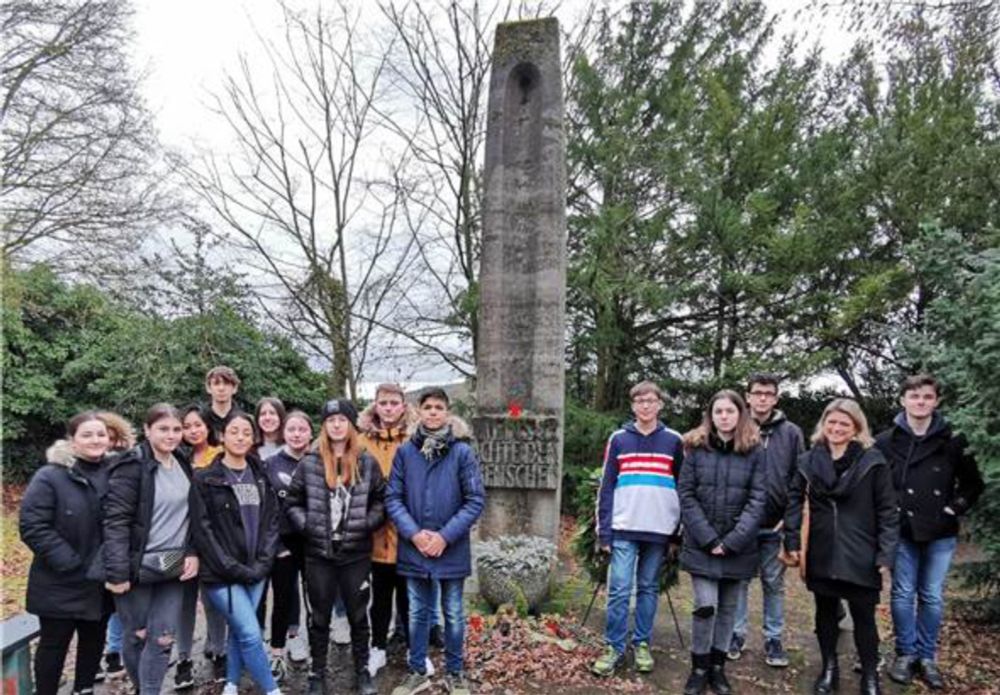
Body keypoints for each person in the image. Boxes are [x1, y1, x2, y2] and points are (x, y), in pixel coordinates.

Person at [876, 375, 984, 689]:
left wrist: (953, 508)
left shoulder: (954, 440)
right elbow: (878, 484)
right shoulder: (887, 441)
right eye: (914, 396)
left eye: (926, 396)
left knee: (932, 596)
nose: (920, 402)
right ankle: (905, 653)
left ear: (936, 401)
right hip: (902, 529)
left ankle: (927, 656)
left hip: (941, 530)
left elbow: (973, 483)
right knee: (901, 594)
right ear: (902, 400)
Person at [785, 399, 898, 695]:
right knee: (825, 613)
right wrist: (792, 540)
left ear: (856, 428)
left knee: (864, 617)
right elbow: (794, 501)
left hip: (861, 550)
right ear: (823, 424)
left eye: (844, 424)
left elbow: (887, 510)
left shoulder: (873, 462)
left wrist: (886, 554)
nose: (836, 428)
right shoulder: (808, 461)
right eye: (831, 422)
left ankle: (870, 676)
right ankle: (829, 668)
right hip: (821, 548)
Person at [387, 388, 485, 695]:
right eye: (427, 406)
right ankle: (418, 670)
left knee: (454, 613)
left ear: (447, 412)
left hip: (451, 548)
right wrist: (415, 534)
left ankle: (455, 672)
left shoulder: (462, 452)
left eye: (438, 407)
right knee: (417, 613)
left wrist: (444, 536)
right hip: (414, 548)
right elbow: (393, 497)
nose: (432, 412)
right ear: (418, 410)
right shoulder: (405, 452)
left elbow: (474, 500)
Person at [285, 399, 385, 695]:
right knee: (319, 615)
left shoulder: (367, 461)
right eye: (331, 420)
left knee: (357, 614)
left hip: (355, 553)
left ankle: (363, 669)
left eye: (342, 419)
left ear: (351, 424)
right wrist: (309, 526)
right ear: (324, 426)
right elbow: (292, 503)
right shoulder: (310, 462)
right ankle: (317, 673)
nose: (337, 425)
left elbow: (381, 500)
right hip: (319, 555)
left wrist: (365, 524)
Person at [103, 404, 200, 695]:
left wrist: (192, 551)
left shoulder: (182, 462)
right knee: (136, 637)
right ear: (147, 430)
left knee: (163, 638)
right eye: (163, 429)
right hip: (136, 566)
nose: (171, 436)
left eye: (176, 429)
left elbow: (192, 514)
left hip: (173, 563)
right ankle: (141, 687)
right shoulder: (131, 465)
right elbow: (116, 521)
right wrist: (118, 573)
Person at [590, 380, 685, 676]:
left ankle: (641, 642)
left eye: (651, 401)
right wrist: (604, 530)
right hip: (623, 527)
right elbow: (606, 487)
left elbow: (684, 488)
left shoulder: (674, 440)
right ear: (633, 406)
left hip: (658, 531)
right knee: (619, 589)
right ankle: (614, 646)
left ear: (660, 405)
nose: (645, 406)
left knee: (647, 588)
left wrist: (677, 533)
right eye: (639, 401)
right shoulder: (618, 439)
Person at [678, 390, 766, 695]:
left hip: (738, 547)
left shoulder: (754, 451)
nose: (724, 416)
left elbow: (758, 499)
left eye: (730, 411)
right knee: (706, 605)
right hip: (702, 544)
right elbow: (686, 495)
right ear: (711, 415)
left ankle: (717, 668)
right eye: (719, 412)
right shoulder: (695, 448)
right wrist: (710, 538)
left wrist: (731, 541)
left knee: (728, 608)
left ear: (740, 414)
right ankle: (699, 667)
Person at [20, 412, 114, 695]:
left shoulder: (114, 473)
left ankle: (83, 689)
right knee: (53, 646)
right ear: (72, 440)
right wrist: (70, 562)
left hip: (100, 581)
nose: (95, 440)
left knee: (93, 642)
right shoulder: (50, 476)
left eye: (101, 434)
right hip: (59, 581)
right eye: (87, 434)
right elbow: (33, 525)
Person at [189, 411, 282, 695]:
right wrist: (233, 568)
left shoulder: (261, 474)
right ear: (222, 436)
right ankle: (271, 690)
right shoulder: (205, 479)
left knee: (240, 630)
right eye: (234, 432)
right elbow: (202, 531)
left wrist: (263, 564)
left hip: (257, 570)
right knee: (252, 634)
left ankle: (231, 682)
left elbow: (271, 522)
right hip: (222, 574)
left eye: (246, 432)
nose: (240, 437)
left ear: (253, 438)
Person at [728, 374, 804, 666]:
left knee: (773, 583)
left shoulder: (792, 433)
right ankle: (735, 634)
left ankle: (773, 639)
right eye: (757, 393)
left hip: (776, 525)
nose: (762, 398)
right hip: (741, 524)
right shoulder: (735, 427)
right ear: (747, 396)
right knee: (740, 582)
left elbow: (799, 478)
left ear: (776, 398)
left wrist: (789, 518)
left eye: (768, 393)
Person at [358, 383, 419, 677]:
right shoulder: (361, 441)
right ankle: (378, 647)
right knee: (379, 597)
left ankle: (413, 649)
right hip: (374, 533)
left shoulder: (416, 439)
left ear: (403, 406)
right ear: (375, 406)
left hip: (408, 530)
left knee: (409, 597)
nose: (389, 408)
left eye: (394, 403)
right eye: (384, 403)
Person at [174, 404, 227, 689]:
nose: (192, 431)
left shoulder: (219, 457)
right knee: (182, 602)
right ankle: (183, 659)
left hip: (211, 540)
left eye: (197, 425)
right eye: (187, 426)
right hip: (179, 541)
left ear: (207, 427)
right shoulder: (176, 458)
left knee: (213, 601)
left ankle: (219, 651)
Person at [262, 409, 313, 681]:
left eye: (302, 429)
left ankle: (313, 647)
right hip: (283, 544)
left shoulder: (318, 461)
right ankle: (277, 652)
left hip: (313, 543)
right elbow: (266, 509)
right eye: (292, 429)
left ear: (310, 433)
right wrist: (277, 544)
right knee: (282, 599)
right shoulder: (270, 464)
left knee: (315, 599)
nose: (296, 434)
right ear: (284, 432)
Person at [94, 411, 137, 683]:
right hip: (89, 545)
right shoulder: (73, 467)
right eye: (99, 436)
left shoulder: (127, 465)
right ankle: (99, 654)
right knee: (95, 606)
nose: (104, 443)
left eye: (109, 437)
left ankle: (114, 651)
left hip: (121, 543)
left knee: (118, 602)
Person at [204, 365, 241, 441]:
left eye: (226, 384)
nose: (221, 388)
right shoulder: (200, 419)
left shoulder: (244, 420)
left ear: (235, 388)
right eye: (216, 384)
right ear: (208, 388)